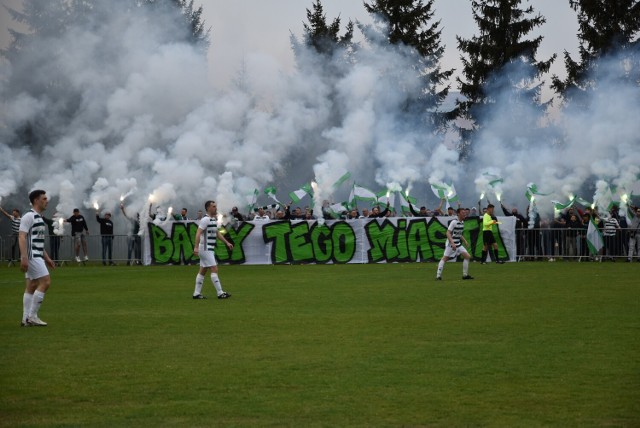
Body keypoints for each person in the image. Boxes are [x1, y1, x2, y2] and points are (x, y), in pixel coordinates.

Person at [19, 190, 56, 327]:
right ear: (36, 200)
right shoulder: (29, 216)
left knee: (32, 286)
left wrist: (47, 258)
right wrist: (24, 257)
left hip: (36, 254)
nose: (47, 201)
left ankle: (25, 319)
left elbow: (37, 241)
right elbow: (21, 236)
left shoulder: (39, 217)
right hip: (32, 256)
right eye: (44, 198)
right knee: (45, 282)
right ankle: (32, 316)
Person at [192, 200, 233, 300]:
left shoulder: (213, 219)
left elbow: (217, 233)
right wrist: (196, 247)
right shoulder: (205, 220)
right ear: (208, 208)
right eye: (213, 206)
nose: (215, 208)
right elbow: (198, 233)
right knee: (214, 269)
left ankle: (196, 293)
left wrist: (226, 242)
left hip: (208, 248)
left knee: (203, 270)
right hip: (205, 248)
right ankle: (220, 293)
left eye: (215, 206)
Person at [436, 208, 474, 280]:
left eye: (465, 212)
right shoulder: (454, 222)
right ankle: (438, 276)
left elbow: (459, 234)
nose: (464, 214)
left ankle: (465, 275)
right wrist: (452, 243)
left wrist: (465, 241)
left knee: (467, 257)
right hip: (451, 244)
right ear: (458, 214)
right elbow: (447, 233)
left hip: (458, 243)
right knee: (445, 258)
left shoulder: (462, 222)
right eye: (463, 212)